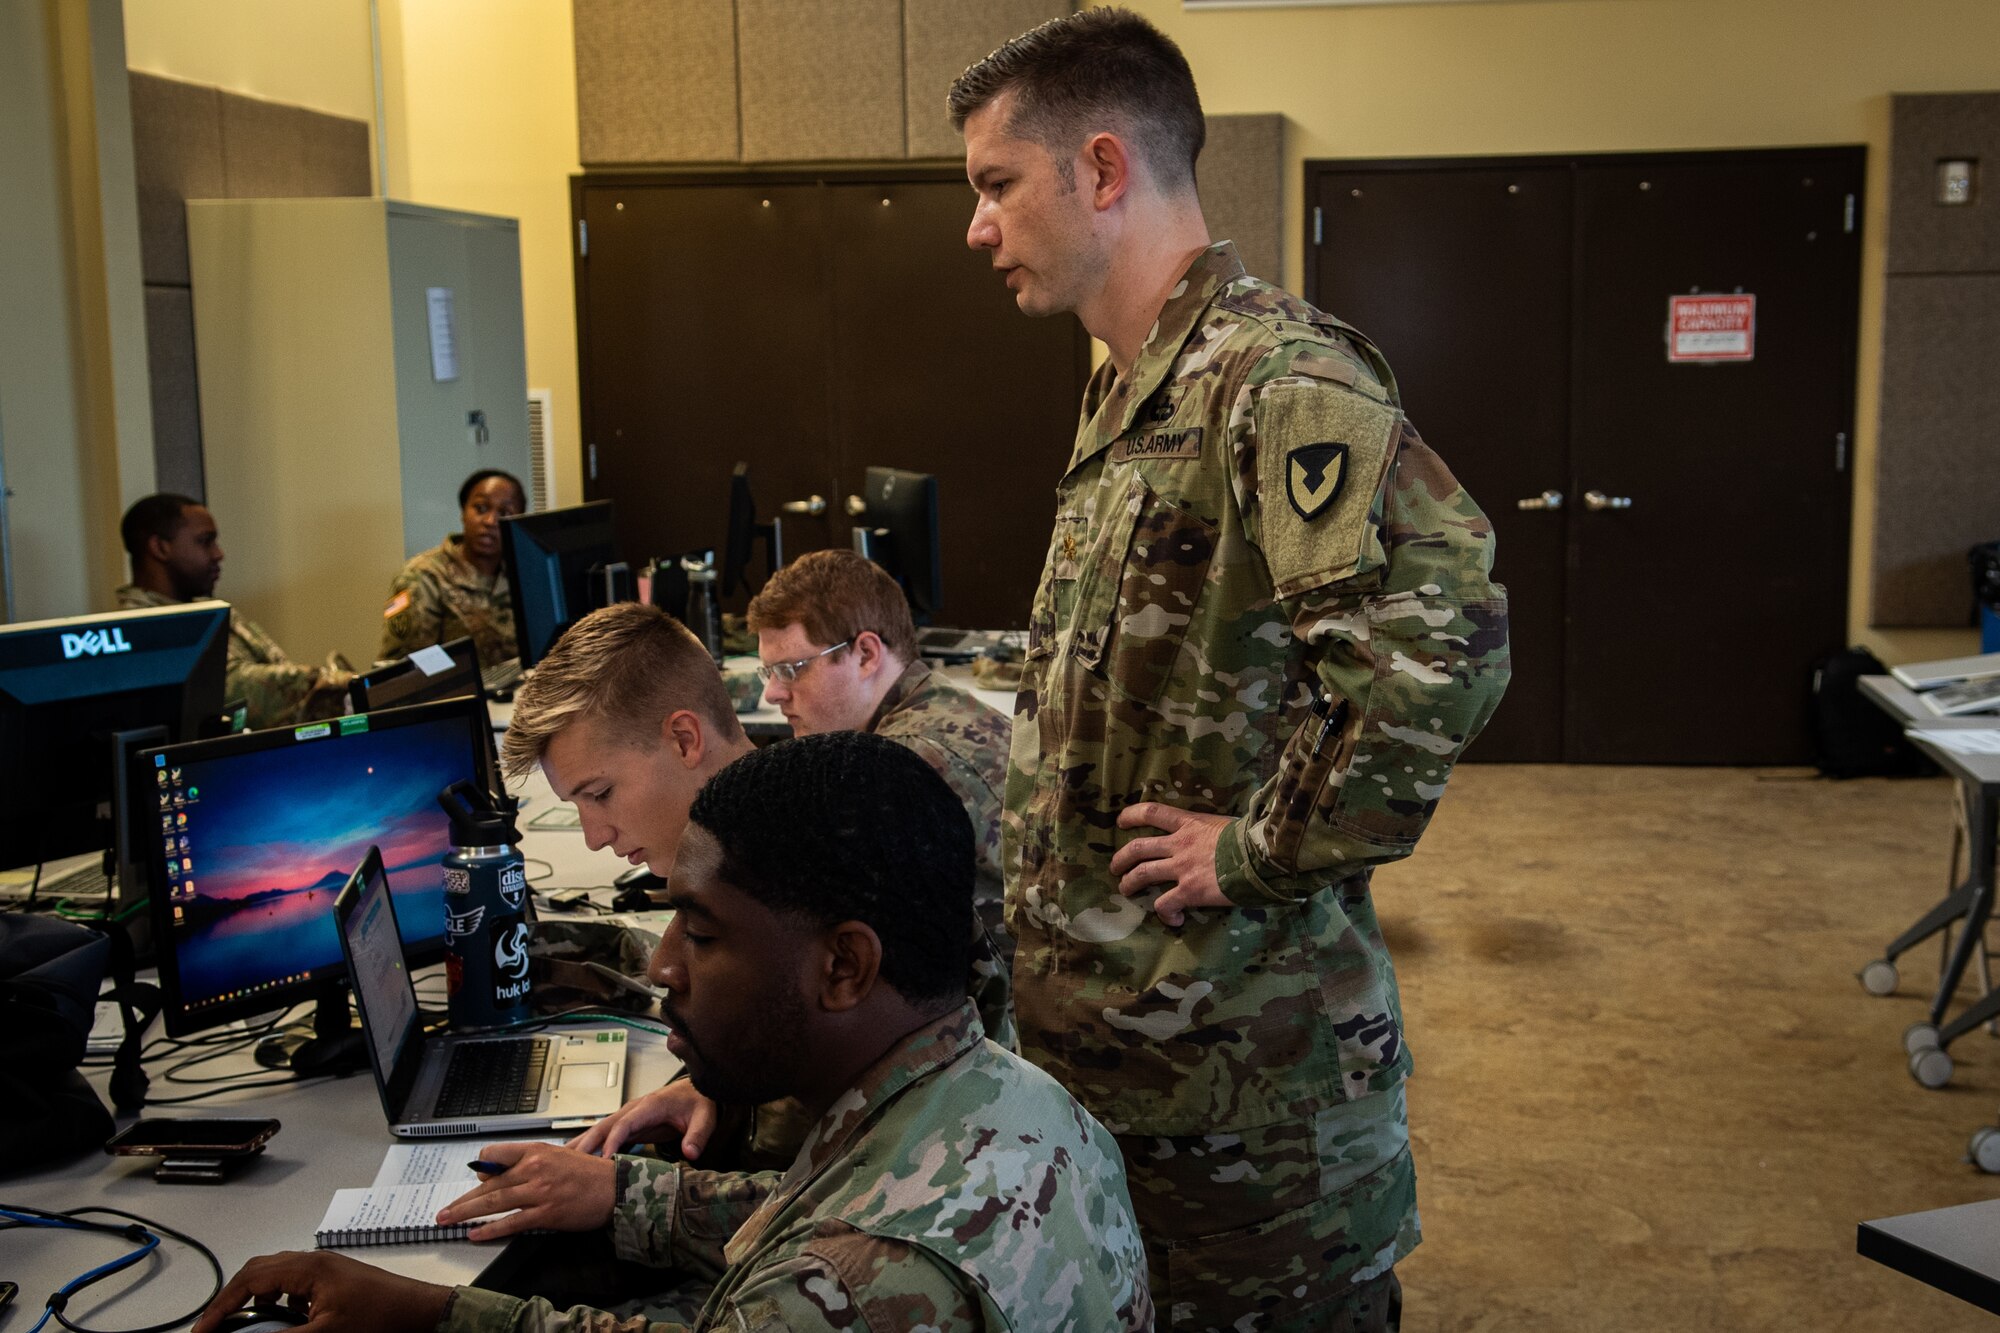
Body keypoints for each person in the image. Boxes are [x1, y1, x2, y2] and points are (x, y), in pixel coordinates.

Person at [949, 10, 1512, 1329]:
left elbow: (1443, 649)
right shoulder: (1131, 388)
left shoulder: (1276, 379)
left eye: (994, 185)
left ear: (1101, 169)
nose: (977, 227)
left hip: (1249, 1118)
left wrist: (1255, 847)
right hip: (1124, 1085)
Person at [194, 732, 1154, 1333]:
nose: (662, 968)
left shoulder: (841, 1291)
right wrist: (615, 1205)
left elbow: (822, 1273)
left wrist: (441, 1315)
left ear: (845, 965)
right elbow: (815, 1214)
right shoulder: (1016, 1097)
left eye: (700, 931)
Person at [502, 602, 1010, 1165]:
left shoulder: (844, 852)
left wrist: (626, 1200)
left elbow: (901, 1176)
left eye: (600, 794)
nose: (594, 837)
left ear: (685, 739)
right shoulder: (760, 848)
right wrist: (724, 1089)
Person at [746, 548, 1013, 965]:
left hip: (1008, 1018)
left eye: (792, 668)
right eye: (769, 672)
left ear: (866, 654)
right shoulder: (945, 705)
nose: (773, 692)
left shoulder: (901, 767)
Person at [115, 493, 353, 729]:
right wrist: (342, 687)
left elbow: (276, 668)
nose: (218, 554)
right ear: (160, 548)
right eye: (205, 541)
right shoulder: (140, 631)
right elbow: (233, 689)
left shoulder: (206, 611)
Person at [380, 468, 526, 669]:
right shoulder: (421, 577)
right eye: (481, 508)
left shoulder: (526, 572)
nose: (490, 521)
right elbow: (403, 668)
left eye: (504, 513)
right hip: (450, 695)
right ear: (463, 513)